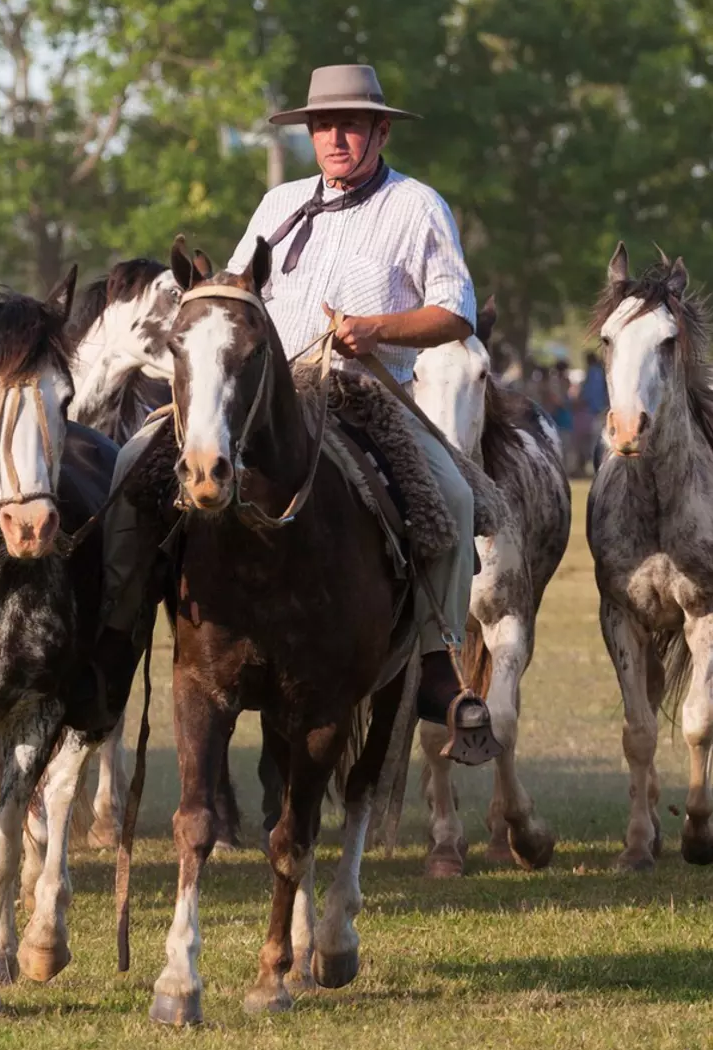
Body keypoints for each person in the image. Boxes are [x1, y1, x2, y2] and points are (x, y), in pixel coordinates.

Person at [97, 63, 491, 743]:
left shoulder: (418, 206)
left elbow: (457, 314)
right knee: (133, 462)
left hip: (365, 393)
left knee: (452, 499)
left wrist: (376, 329)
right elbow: (245, 294)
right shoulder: (278, 206)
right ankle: (112, 632)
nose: (335, 137)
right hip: (264, 394)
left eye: (350, 125)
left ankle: (436, 663)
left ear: (380, 130)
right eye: (323, 126)